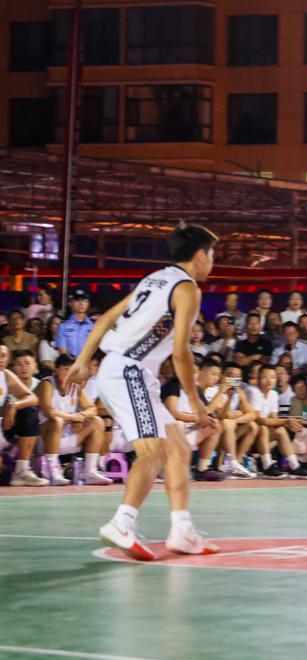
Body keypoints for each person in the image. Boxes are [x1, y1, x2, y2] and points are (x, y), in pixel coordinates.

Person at [65, 222, 220, 560]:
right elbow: (181, 353)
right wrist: (198, 405)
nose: (212, 262)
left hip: (126, 369)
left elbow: (106, 318)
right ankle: (122, 523)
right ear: (199, 255)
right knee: (153, 452)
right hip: (129, 371)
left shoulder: (156, 278)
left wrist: (82, 360)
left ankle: (182, 530)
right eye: (211, 255)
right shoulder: (188, 289)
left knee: (177, 446)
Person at [37, 353, 110, 485]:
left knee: (97, 421)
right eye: (65, 369)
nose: (69, 373)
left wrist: (81, 417)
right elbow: (49, 412)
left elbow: (92, 409)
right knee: (57, 421)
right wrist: (72, 417)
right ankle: (53, 472)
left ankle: (90, 472)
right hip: (44, 438)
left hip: (66, 435)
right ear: (56, 369)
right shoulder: (46, 384)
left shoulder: (75, 387)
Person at [3, 345, 44, 486]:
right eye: (19, 364)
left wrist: (14, 405)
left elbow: (33, 398)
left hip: (7, 429)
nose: (0, 359)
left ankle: (21, 471)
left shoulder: (6, 375)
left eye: (3, 356)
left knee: (30, 412)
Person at [56, 289, 94, 357]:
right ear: (70, 303)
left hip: (89, 362)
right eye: (77, 300)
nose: (81, 303)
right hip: (70, 362)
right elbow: (62, 352)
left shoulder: (94, 326)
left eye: (84, 300)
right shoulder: (63, 327)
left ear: (88, 304)